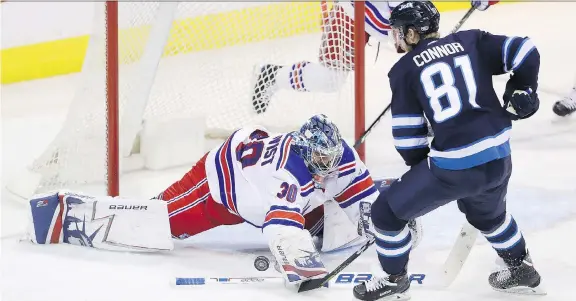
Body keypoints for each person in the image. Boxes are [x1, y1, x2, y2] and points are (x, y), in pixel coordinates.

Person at [26, 114, 421, 288]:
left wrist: (388, 215)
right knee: (157, 223)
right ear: (304, 153)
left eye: (330, 162)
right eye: (318, 163)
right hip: (221, 186)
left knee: (331, 227)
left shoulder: (337, 157)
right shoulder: (292, 172)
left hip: (261, 184)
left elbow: (363, 199)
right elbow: (281, 229)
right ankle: (65, 215)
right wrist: (303, 270)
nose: (326, 169)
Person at [351, 1, 544, 300]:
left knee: (386, 214)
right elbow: (524, 49)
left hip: (454, 168)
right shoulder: (472, 40)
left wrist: (418, 176)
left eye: (399, 33)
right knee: (489, 215)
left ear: (413, 34)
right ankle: (520, 267)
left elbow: (408, 140)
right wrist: (524, 89)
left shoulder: (404, 70)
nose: (396, 39)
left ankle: (393, 279)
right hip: (499, 157)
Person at [251, 0, 499, 114]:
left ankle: (436, 112)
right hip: (352, 11)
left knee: (430, 56)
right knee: (330, 79)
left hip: (396, 21)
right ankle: (272, 76)